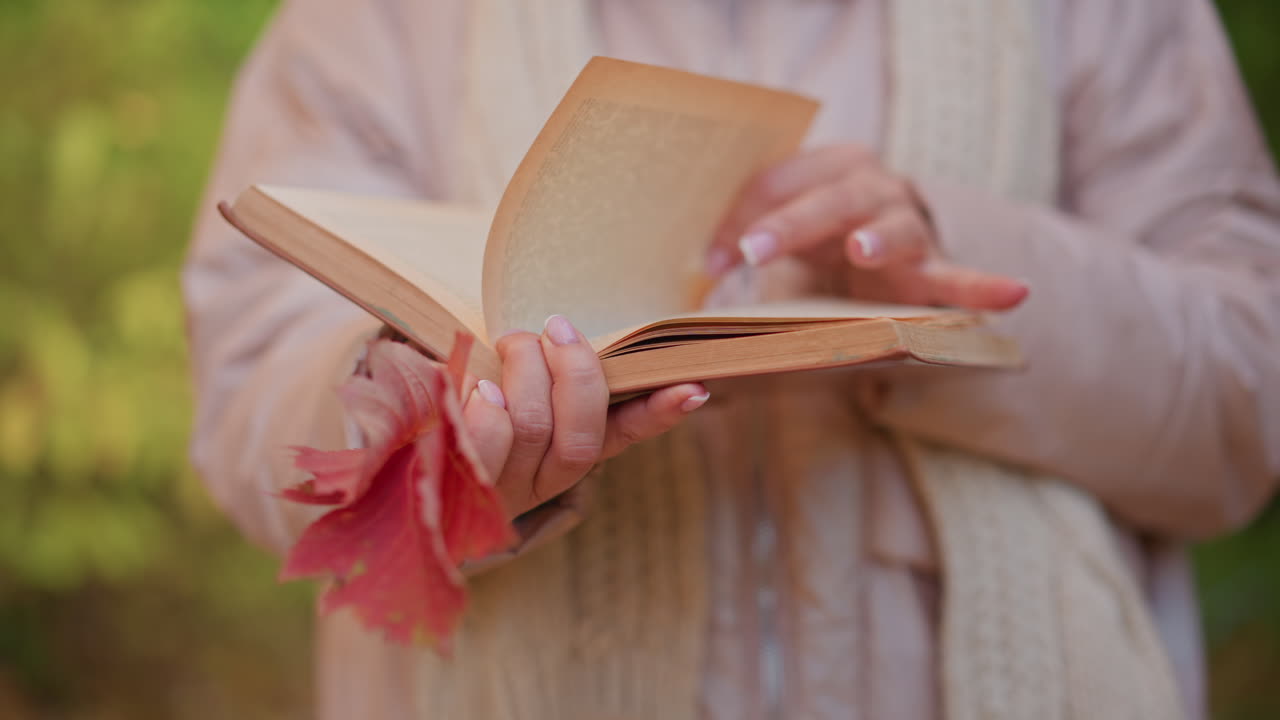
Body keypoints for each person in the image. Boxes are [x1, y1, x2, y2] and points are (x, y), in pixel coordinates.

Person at [184, 1, 1280, 718]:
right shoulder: (375, 22)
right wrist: (432, 425)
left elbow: (1247, 396)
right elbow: (250, 390)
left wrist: (951, 268)